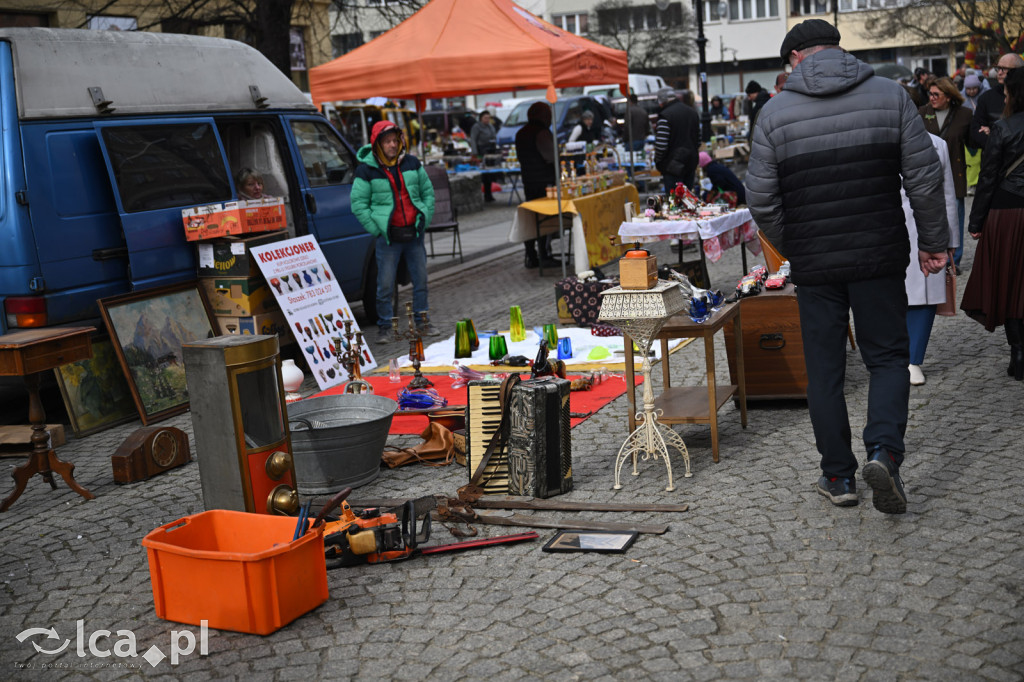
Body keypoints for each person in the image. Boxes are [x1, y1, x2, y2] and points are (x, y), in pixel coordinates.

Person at [746, 19, 949, 515]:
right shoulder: (890, 95)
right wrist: (933, 242)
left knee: (825, 369)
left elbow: (761, 199)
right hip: (879, 252)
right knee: (887, 358)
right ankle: (884, 452)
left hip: (816, 263)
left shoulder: (774, 113)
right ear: (838, 49)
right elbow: (924, 177)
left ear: (796, 58)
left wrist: (796, 245)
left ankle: (838, 475)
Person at [961, 66, 1024, 382]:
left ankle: (1019, 352)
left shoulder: (1003, 128)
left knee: (1010, 283)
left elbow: (987, 178)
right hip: (1009, 210)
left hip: (1007, 213)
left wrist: (976, 221)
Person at [351, 120, 438, 343]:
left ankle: (423, 322)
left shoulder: (412, 163)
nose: (392, 145)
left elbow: (428, 192)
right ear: (377, 144)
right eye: (387, 141)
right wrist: (377, 229)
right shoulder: (366, 170)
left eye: (395, 140)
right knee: (385, 285)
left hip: (414, 233)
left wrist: (424, 219)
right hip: (388, 238)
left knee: (421, 281)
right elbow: (358, 204)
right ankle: (385, 327)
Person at [904, 133, 960, 386]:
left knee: (923, 296)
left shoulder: (937, 143)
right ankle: (893, 357)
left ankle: (913, 359)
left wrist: (951, 238)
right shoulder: (873, 136)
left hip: (927, 230)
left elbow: (948, 194)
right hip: (883, 230)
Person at [920, 76, 972, 270]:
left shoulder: (964, 114)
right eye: (930, 94)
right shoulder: (922, 113)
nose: (932, 98)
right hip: (928, 173)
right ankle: (934, 254)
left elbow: (972, 141)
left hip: (955, 172)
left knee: (955, 216)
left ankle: (953, 261)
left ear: (948, 96)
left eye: (936, 94)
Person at [515, 101, 558, 269]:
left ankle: (531, 254)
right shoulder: (542, 133)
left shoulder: (520, 133)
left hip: (528, 181)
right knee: (545, 219)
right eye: (548, 115)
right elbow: (552, 157)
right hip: (544, 182)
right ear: (542, 116)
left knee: (532, 219)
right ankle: (544, 254)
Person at [970, 53, 1024, 150]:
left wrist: (994, 135)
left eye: (1004, 69)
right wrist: (993, 140)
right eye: (998, 68)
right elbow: (976, 131)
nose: (999, 73)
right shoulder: (986, 98)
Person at [653, 86, 700, 193]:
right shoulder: (692, 112)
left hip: (672, 166)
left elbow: (661, 146)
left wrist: (658, 161)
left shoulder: (665, 116)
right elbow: (698, 140)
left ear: (662, 101)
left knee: (674, 199)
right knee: (688, 198)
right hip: (691, 163)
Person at [470, 110, 498, 203]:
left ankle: (489, 194)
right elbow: (473, 139)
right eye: (485, 118)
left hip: (490, 151)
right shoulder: (476, 127)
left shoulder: (490, 126)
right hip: (481, 151)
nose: (487, 120)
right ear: (481, 118)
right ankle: (486, 194)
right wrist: (475, 153)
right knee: (484, 175)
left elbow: (494, 137)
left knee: (490, 173)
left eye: (488, 118)